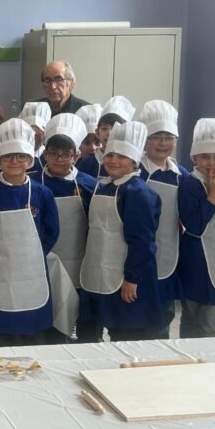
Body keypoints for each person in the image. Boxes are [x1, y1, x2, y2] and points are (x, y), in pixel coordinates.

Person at [0, 119, 59, 338]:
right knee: (0, 333)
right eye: (7, 156)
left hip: (32, 270)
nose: (14, 161)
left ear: (30, 159)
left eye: (20, 156)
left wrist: (36, 253)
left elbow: (52, 230)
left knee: (33, 333)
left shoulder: (42, 194)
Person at [79, 121, 163, 342]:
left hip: (127, 277)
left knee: (126, 336)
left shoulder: (138, 192)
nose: (114, 160)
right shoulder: (104, 186)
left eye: (122, 157)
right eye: (110, 155)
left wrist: (132, 279)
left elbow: (143, 241)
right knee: (97, 330)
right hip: (100, 272)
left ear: (134, 161)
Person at [178, 119, 215, 337]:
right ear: (194, 158)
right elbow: (194, 226)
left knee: (211, 327)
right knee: (191, 320)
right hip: (195, 263)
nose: (211, 163)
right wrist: (212, 196)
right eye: (205, 156)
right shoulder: (189, 184)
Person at [137, 100, 187, 338]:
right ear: (144, 140)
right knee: (136, 316)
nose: (163, 143)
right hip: (135, 254)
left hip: (168, 252)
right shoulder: (134, 170)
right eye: (156, 137)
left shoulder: (181, 175)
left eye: (168, 137)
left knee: (163, 314)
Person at [35, 112, 98, 289]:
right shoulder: (33, 183)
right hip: (41, 255)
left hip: (78, 256)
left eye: (66, 155)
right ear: (45, 154)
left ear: (76, 157)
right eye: (53, 154)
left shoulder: (89, 185)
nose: (59, 159)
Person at [76, 96, 134, 178]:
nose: (109, 133)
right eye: (104, 128)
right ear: (97, 132)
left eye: (114, 128)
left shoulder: (127, 163)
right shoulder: (87, 163)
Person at [19, 101, 51, 173]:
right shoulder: (14, 156)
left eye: (38, 129)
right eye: (30, 129)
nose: (34, 133)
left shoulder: (50, 159)